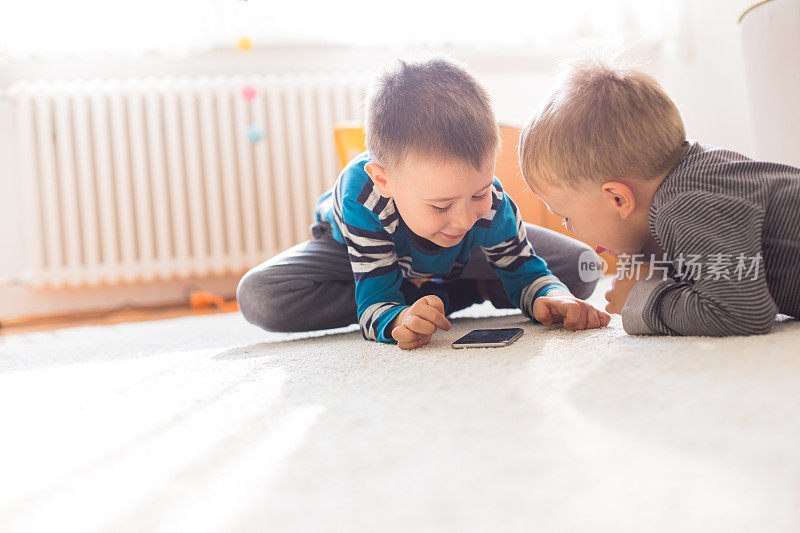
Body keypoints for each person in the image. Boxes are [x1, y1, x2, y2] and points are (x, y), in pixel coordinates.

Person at [238, 56, 609, 349]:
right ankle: (437, 296)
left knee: (583, 267)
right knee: (261, 297)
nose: (465, 219)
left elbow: (525, 268)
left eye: (479, 192)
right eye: (441, 205)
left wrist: (551, 294)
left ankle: (451, 291)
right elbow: (375, 299)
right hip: (358, 252)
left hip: (458, 258)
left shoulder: (489, 202)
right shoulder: (361, 197)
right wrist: (397, 319)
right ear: (384, 180)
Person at [518, 56, 800, 336]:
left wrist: (643, 297)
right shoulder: (700, 170)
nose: (568, 227)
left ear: (618, 199)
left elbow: (740, 312)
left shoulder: (682, 207)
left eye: (567, 216)